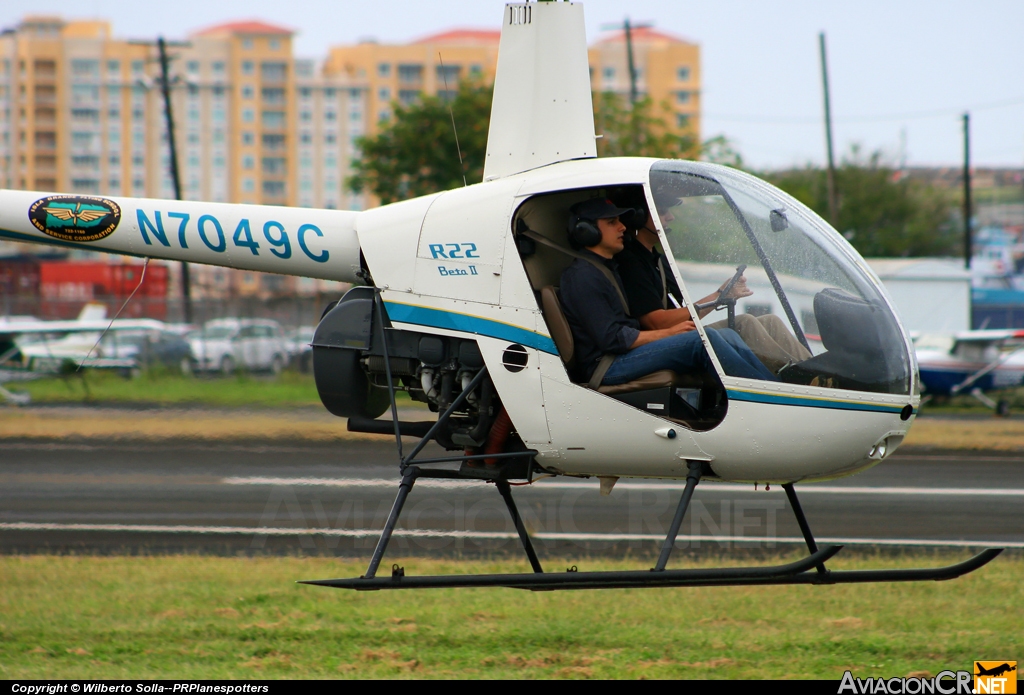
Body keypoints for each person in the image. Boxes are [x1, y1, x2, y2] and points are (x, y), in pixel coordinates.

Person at [558, 198, 778, 387]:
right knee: (702, 340)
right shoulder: (583, 276)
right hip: (607, 365)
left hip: (621, 356)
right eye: (612, 222)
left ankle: (773, 387)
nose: (622, 227)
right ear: (586, 232)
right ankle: (770, 398)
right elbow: (613, 339)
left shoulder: (606, 268)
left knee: (728, 335)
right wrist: (669, 333)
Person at [615, 196, 812, 373]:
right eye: (662, 212)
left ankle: (816, 371)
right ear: (639, 218)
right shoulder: (631, 262)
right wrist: (718, 297)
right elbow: (656, 322)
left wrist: (723, 295)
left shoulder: (656, 259)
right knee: (746, 323)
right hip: (660, 343)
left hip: (676, 335)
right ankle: (795, 377)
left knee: (771, 321)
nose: (670, 217)